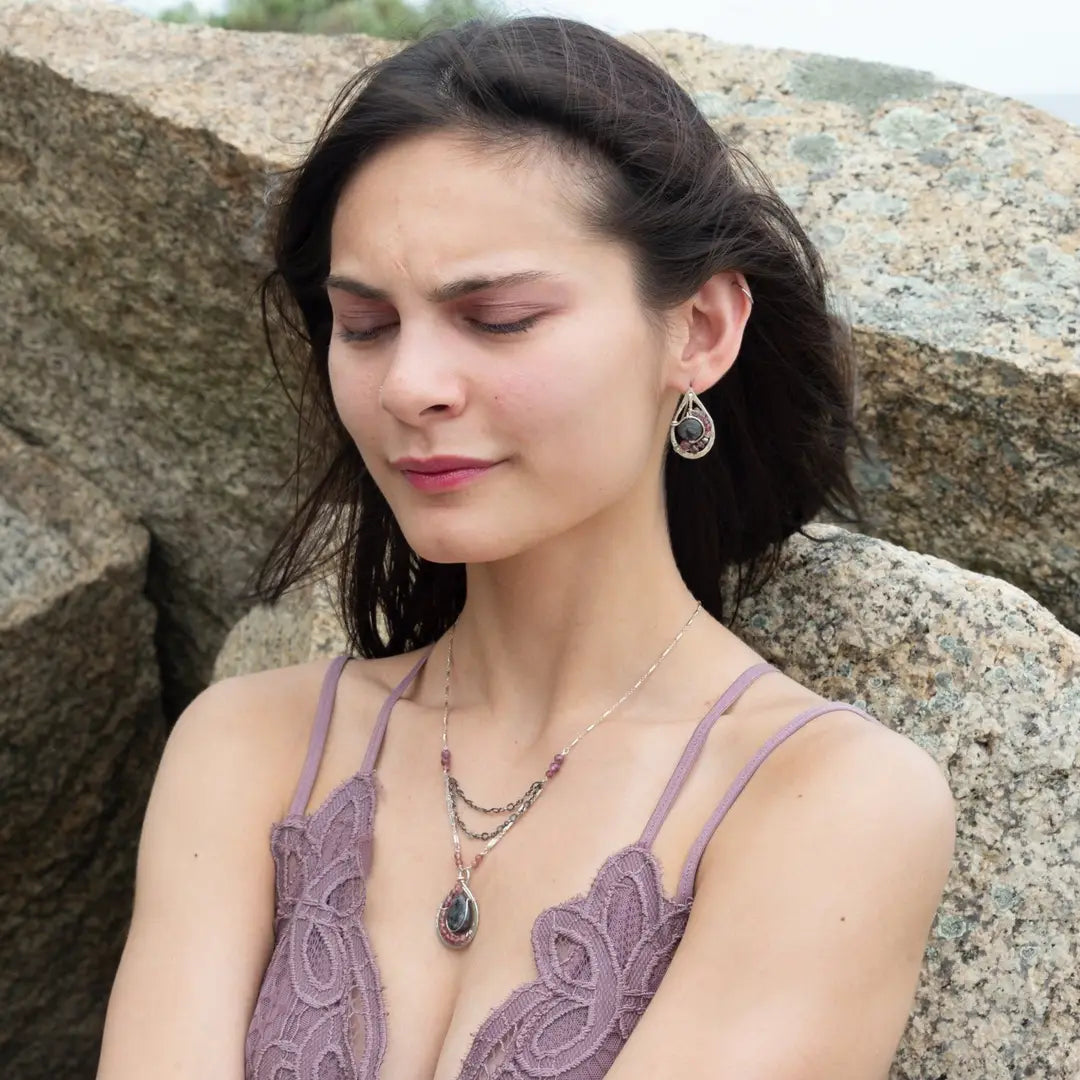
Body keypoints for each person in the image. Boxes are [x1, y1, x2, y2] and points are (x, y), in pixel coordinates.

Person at [97, 14, 956, 1080]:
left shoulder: (827, 799)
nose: (410, 386)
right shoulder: (247, 748)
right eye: (364, 326)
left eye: (498, 317)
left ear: (700, 330)